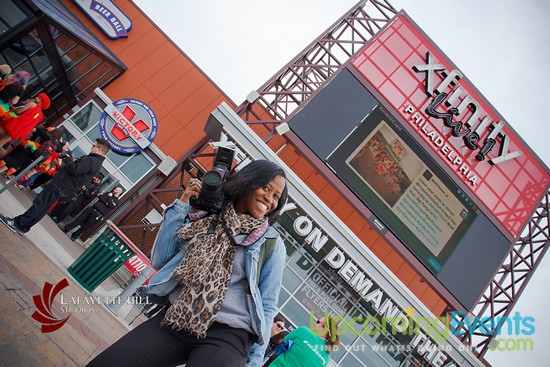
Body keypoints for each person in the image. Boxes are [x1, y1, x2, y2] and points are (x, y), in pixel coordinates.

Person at [86, 159, 289, 367]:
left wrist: (254, 361)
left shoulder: (270, 242)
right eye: (266, 188)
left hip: (228, 335)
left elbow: (267, 304)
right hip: (179, 316)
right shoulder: (208, 215)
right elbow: (161, 260)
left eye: (276, 197)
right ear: (248, 182)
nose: (270, 199)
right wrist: (182, 207)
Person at [0, 138, 110, 235]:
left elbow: (74, 170)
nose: (91, 147)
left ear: (99, 149)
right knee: (43, 208)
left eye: (94, 146)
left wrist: (68, 160)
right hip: (64, 187)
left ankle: (17, 223)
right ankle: (24, 226)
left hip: (61, 184)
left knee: (39, 204)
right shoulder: (96, 163)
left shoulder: (91, 160)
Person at [267, 317, 340, 367]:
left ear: (324, 329)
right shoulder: (326, 359)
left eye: (318, 322)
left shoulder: (303, 331)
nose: (314, 323)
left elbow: (283, 342)